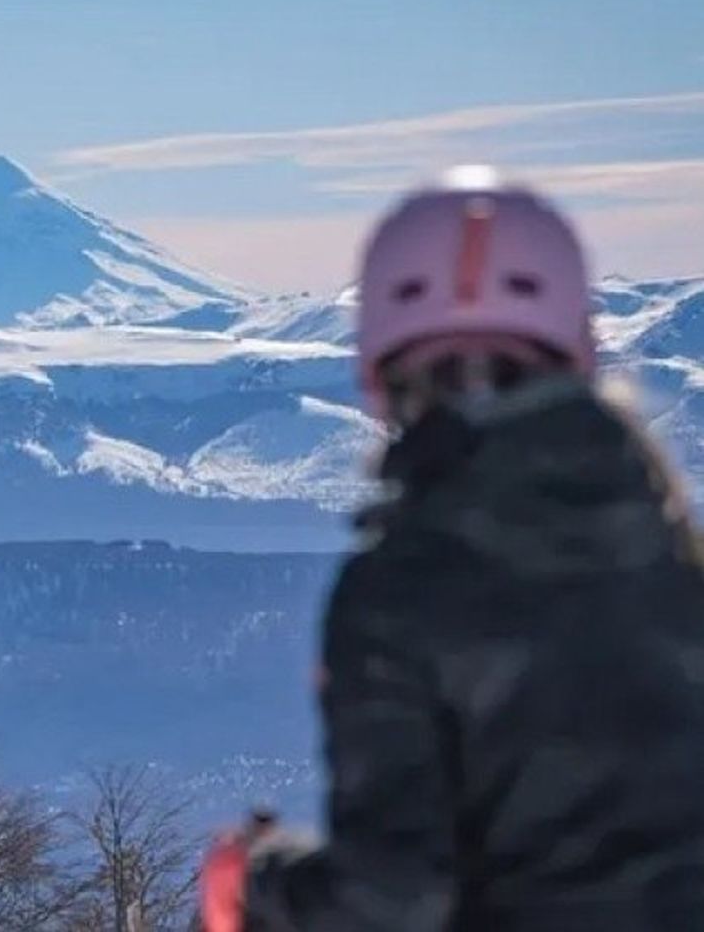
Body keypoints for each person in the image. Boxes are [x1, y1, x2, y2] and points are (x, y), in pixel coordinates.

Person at [202, 168, 704, 930]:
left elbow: (390, 902)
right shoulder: (674, 560)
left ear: (380, 368)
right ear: (577, 348)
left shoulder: (400, 590)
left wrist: (254, 884)